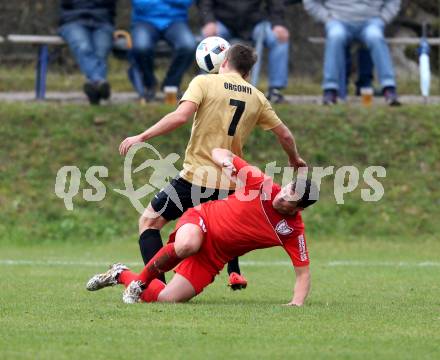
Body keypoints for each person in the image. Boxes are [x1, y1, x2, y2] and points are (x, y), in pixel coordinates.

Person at [118, 43, 307, 290]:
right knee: (216, 237)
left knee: (149, 223)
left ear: (224, 61)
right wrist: (294, 159)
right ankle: (231, 271)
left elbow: (180, 116)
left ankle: (155, 286)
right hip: (229, 185)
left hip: (195, 177)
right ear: (248, 73)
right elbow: (285, 135)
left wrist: (141, 136)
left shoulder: (204, 82)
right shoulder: (258, 97)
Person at [86, 149, 318, 305]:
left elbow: (303, 272)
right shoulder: (262, 183)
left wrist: (296, 304)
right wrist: (224, 160)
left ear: (299, 208)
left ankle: (120, 274)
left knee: (167, 299)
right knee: (187, 244)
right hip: (201, 220)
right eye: (287, 189)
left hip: (213, 258)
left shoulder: (292, 230)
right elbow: (220, 150)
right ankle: (139, 283)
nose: (282, 196)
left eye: (290, 199)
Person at [303, 0, 401, 105]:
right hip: (337, 21)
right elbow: (310, 2)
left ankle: (389, 88)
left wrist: (383, 19)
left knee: (376, 37)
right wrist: (327, 18)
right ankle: (330, 90)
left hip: (372, 22)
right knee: (335, 36)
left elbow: (394, 2)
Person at [197, 0, 290, 103]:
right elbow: (205, 3)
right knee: (209, 41)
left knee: (279, 38)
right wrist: (208, 21)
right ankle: (207, 89)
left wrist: (278, 24)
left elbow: (275, 3)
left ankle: (274, 91)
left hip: (254, 24)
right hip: (223, 23)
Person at [131, 0, 197, 101]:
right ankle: (149, 84)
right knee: (141, 47)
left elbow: (186, 2)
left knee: (188, 46)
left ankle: (171, 85)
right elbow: (140, 4)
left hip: (176, 21)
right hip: (144, 21)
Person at [58, 0, 117, 105]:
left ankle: (94, 91)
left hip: (102, 21)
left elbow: (111, 7)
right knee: (83, 47)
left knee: (101, 52)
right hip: (72, 21)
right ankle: (98, 81)